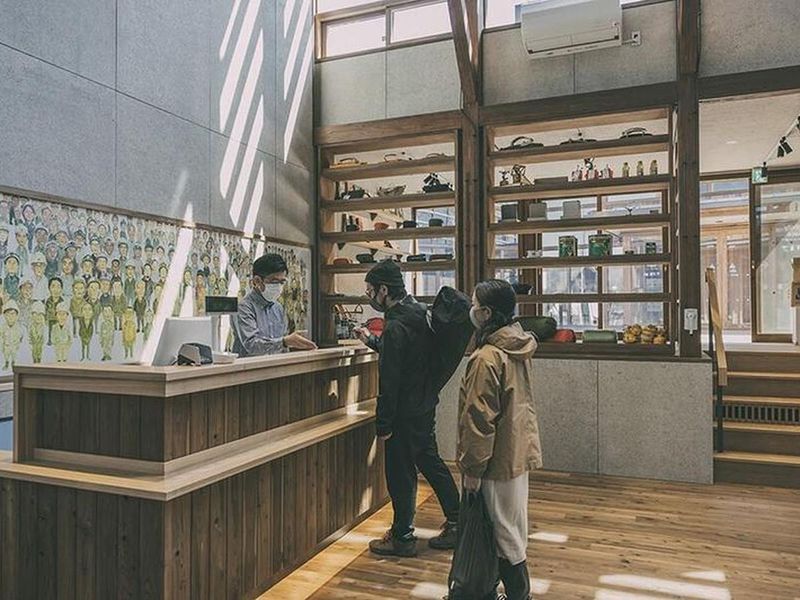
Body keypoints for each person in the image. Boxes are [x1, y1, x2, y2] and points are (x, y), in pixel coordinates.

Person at [355, 260, 460, 557]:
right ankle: (457, 521)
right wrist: (373, 341)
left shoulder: (396, 325)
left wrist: (383, 425)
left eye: (370, 291)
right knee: (430, 462)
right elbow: (408, 356)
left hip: (403, 412)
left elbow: (390, 380)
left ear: (383, 290)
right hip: (424, 404)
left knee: (400, 474)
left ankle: (402, 537)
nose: (369, 296)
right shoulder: (418, 313)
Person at [458, 279, 542, 600]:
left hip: (494, 460)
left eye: (474, 304)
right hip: (516, 451)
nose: (471, 310)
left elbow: (479, 421)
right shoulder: (517, 346)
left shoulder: (486, 358)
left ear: (487, 313)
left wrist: (472, 469)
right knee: (512, 527)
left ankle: (519, 594)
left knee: (502, 532)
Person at [232, 253, 316, 356]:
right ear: (257, 281)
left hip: (275, 364)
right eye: (274, 281)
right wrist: (284, 342)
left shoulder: (278, 308)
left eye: (282, 282)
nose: (279, 287)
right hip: (249, 365)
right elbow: (252, 345)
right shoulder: (243, 308)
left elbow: (283, 346)